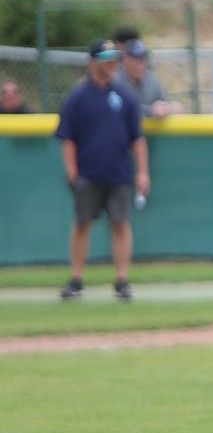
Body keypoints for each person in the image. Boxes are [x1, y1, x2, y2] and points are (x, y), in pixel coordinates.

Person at [55, 39, 150, 300]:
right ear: (92, 62)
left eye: (114, 57)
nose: (112, 62)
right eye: (106, 57)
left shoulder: (125, 96)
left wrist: (142, 171)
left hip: (118, 172)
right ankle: (76, 280)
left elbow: (137, 139)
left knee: (120, 224)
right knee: (82, 224)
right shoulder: (78, 97)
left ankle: (121, 281)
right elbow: (68, 137)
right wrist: (71, 168)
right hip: (88, 173)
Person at [115, 38, 185, 118]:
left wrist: (165, 108)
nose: (141, 62)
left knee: (178, 107)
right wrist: (150, 111)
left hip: (149, 129)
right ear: (125, 59)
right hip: (124, 129)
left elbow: (164, 102)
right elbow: (119, 109)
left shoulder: (151, 78)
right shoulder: (116, 80)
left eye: (144, 57)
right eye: (137, 58)